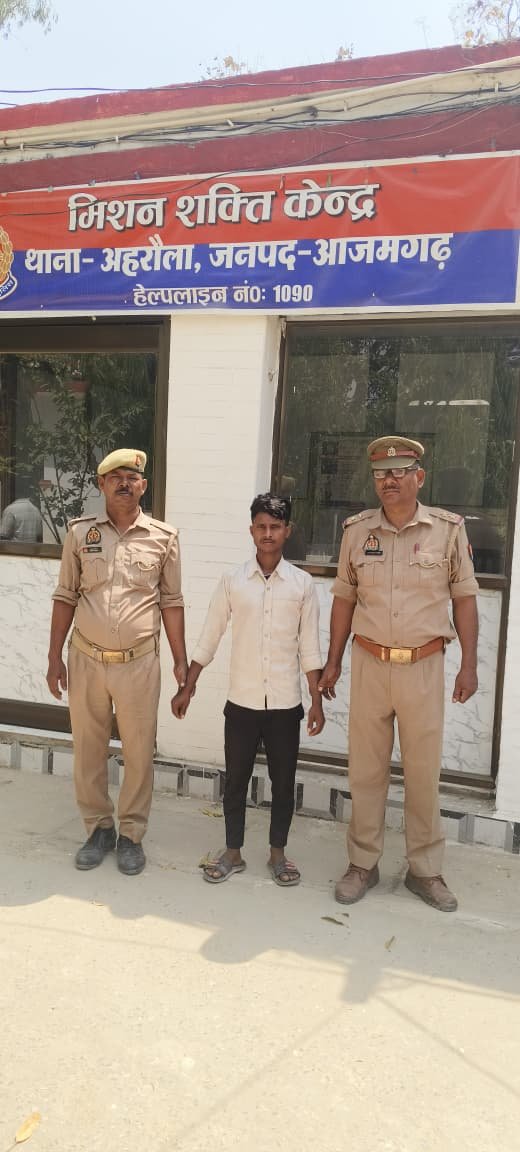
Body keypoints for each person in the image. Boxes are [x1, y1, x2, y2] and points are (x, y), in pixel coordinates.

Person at [318, 436, 479, 912]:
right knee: (365, 771)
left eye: (399, 471)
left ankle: (425, 870)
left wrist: (469, 664)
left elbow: (465, 599)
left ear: (418, 477)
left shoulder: (446, 530)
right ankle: (362, 863)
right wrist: (333, 660)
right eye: (381, 474)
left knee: (423, 774)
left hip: (424, 667)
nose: (388, 480)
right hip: (370, 663)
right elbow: (344, 599)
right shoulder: (356, 531)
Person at [172, 493, 325, 887]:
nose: (268, 534)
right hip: (241, 703)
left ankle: (278, 854)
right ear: (251, 530)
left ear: (287, 531)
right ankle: (233, 852)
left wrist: (316, 701)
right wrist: (188, 686)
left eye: (275, 527)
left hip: (286, 705)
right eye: (261, 527)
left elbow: (310, 647)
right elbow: (209, 636)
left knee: (283, 783)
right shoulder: (233, 581)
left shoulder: (302, 585)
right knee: (236, 781)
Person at [46, 448, 187, 876]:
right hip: (86, 658)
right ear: (102, 484)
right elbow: (66, 595)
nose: (124, 483)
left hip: (139, 663)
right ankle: (98, 829)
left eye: (132, 477)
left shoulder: (164, 537)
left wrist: (180, 661)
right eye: (115, 477)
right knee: (88, 750)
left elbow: (172, 601)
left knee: (138, 752)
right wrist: (54, 656)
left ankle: (131, 834)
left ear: (143, 485)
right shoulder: (80, 533)